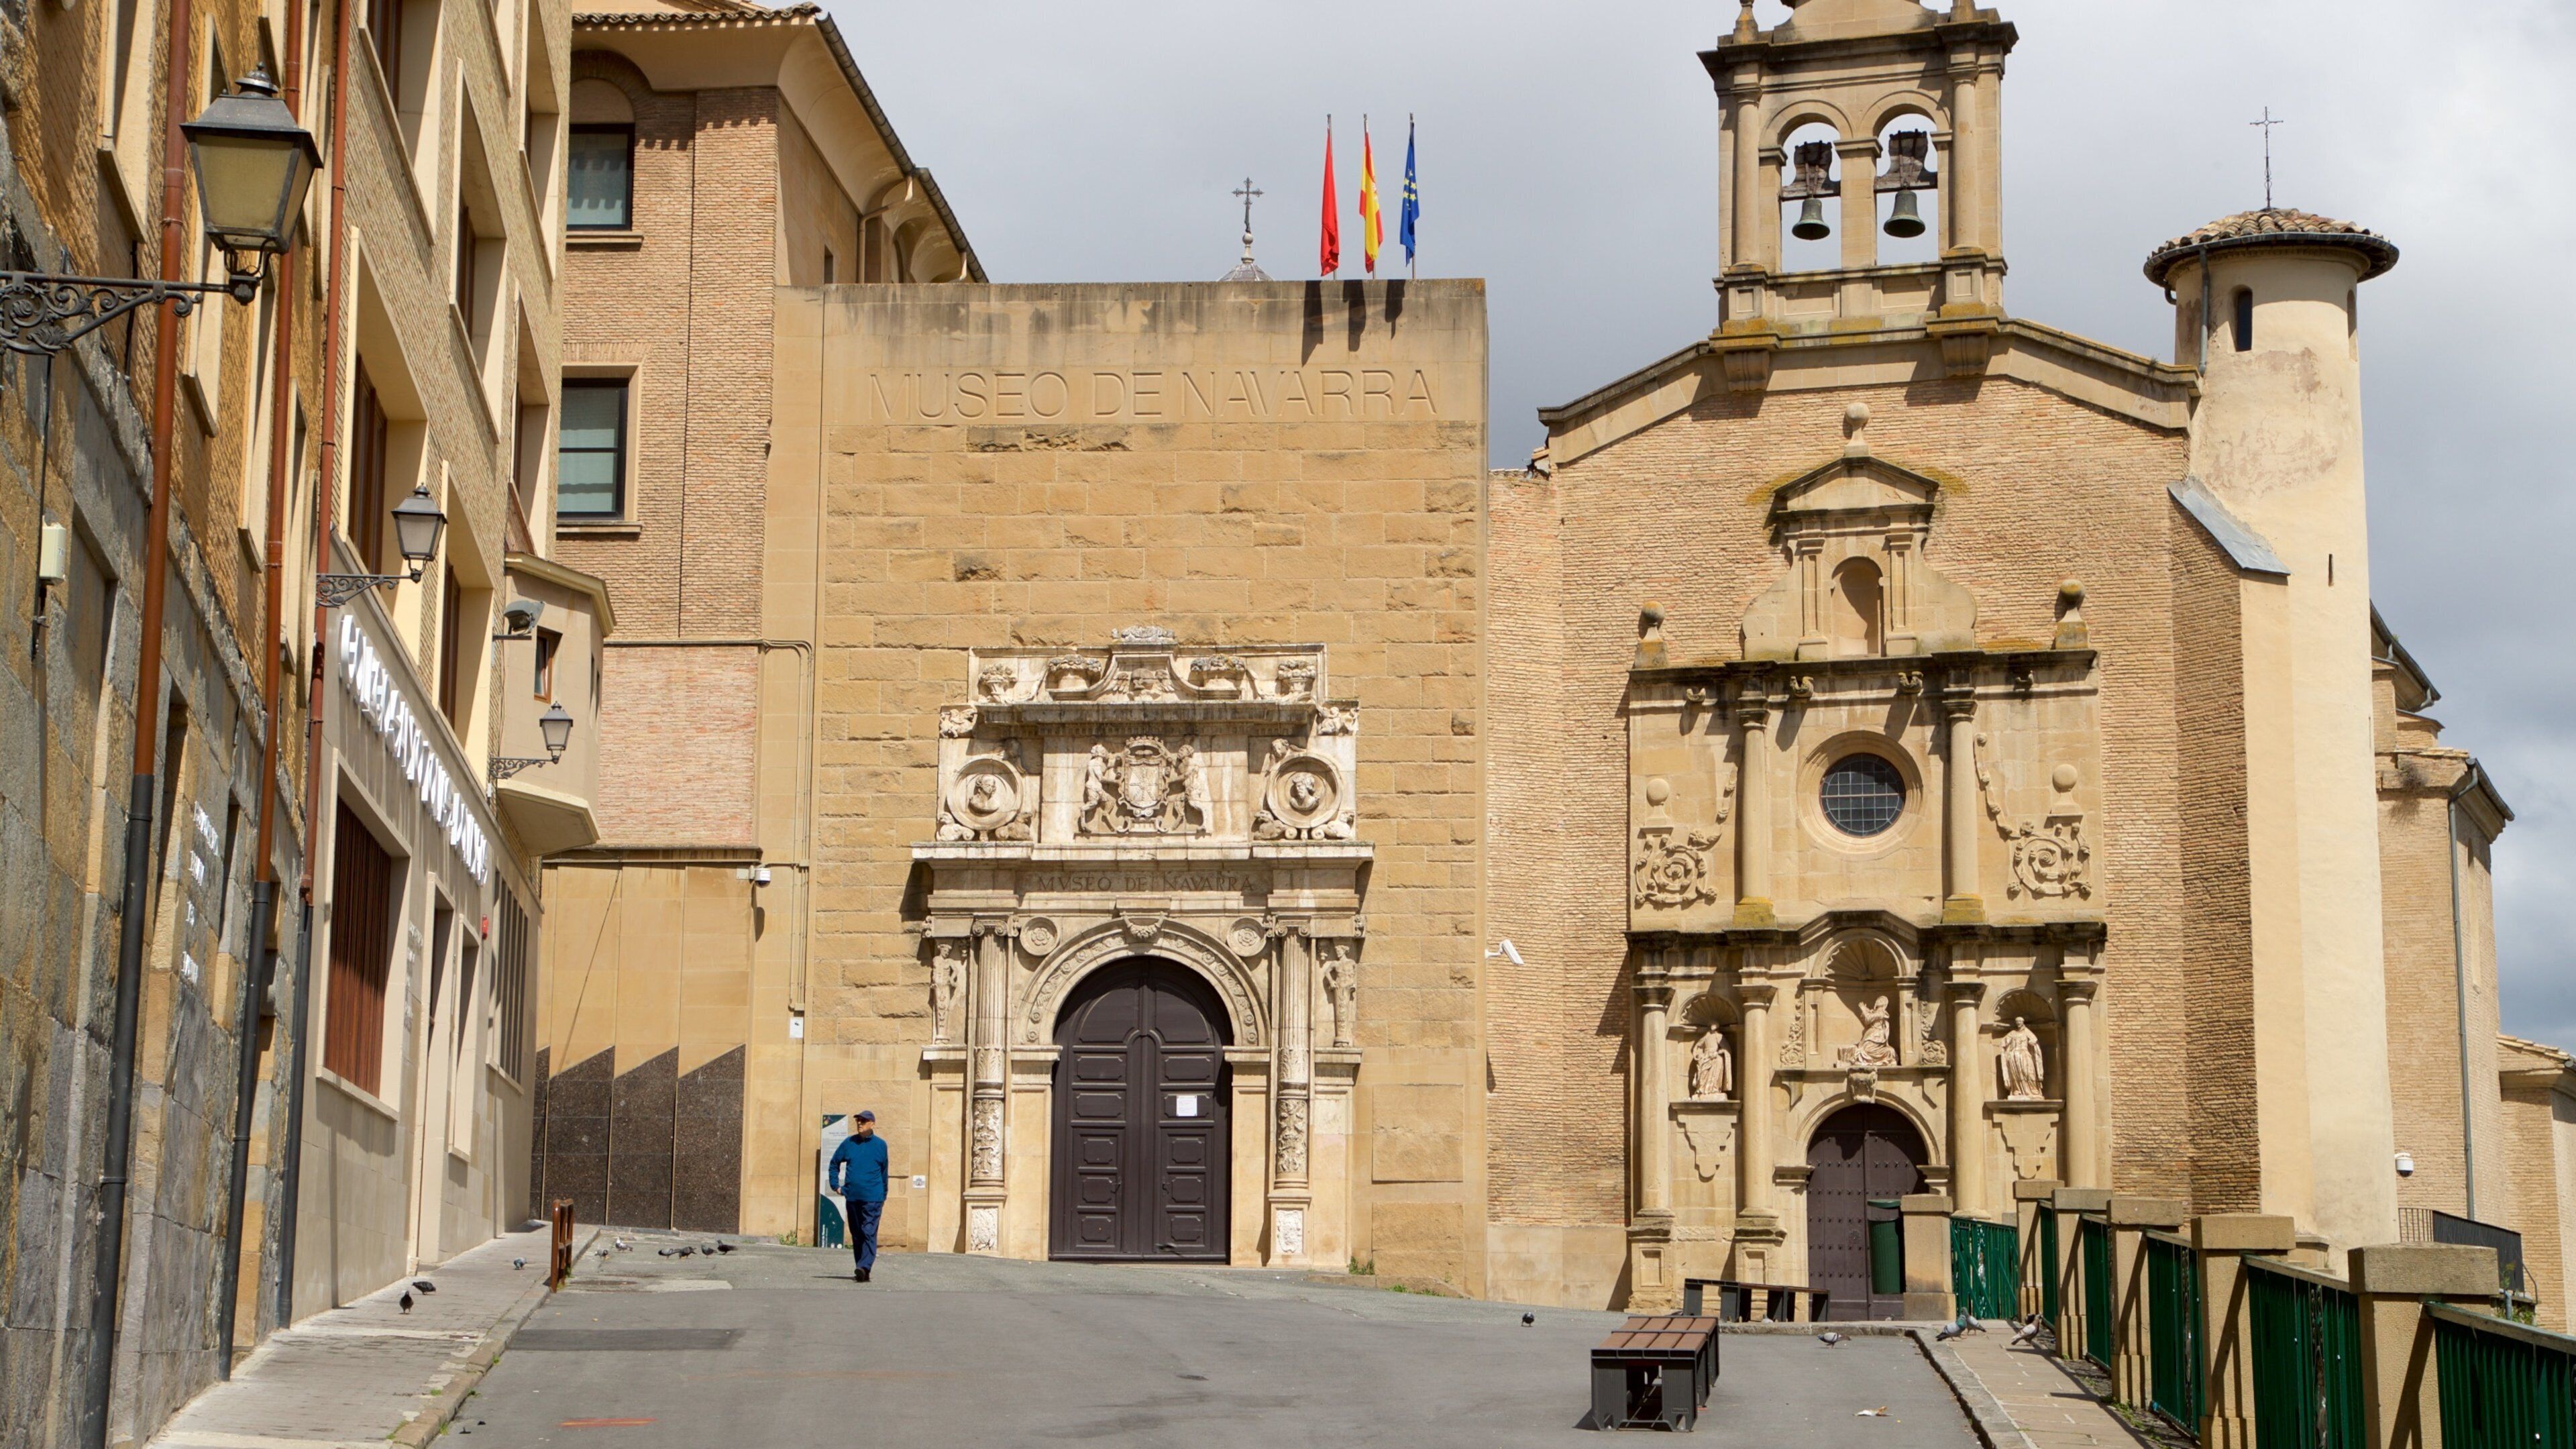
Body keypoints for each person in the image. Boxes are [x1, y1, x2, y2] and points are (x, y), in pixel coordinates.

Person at [828, 1111, 890, 1282]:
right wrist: (836, 1186)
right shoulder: (849, 1143)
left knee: (868, 1231)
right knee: (857, 1233)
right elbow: (834, 1163)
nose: (859, 1123)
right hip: (853, 1197)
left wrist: (884, 1193)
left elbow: (884, 1171)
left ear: (872, 1124)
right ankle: (862, 1269)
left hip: (873, 1198)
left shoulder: (880, 1145)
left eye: (863, 1121)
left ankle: (864, 1266)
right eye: (858, 1120)